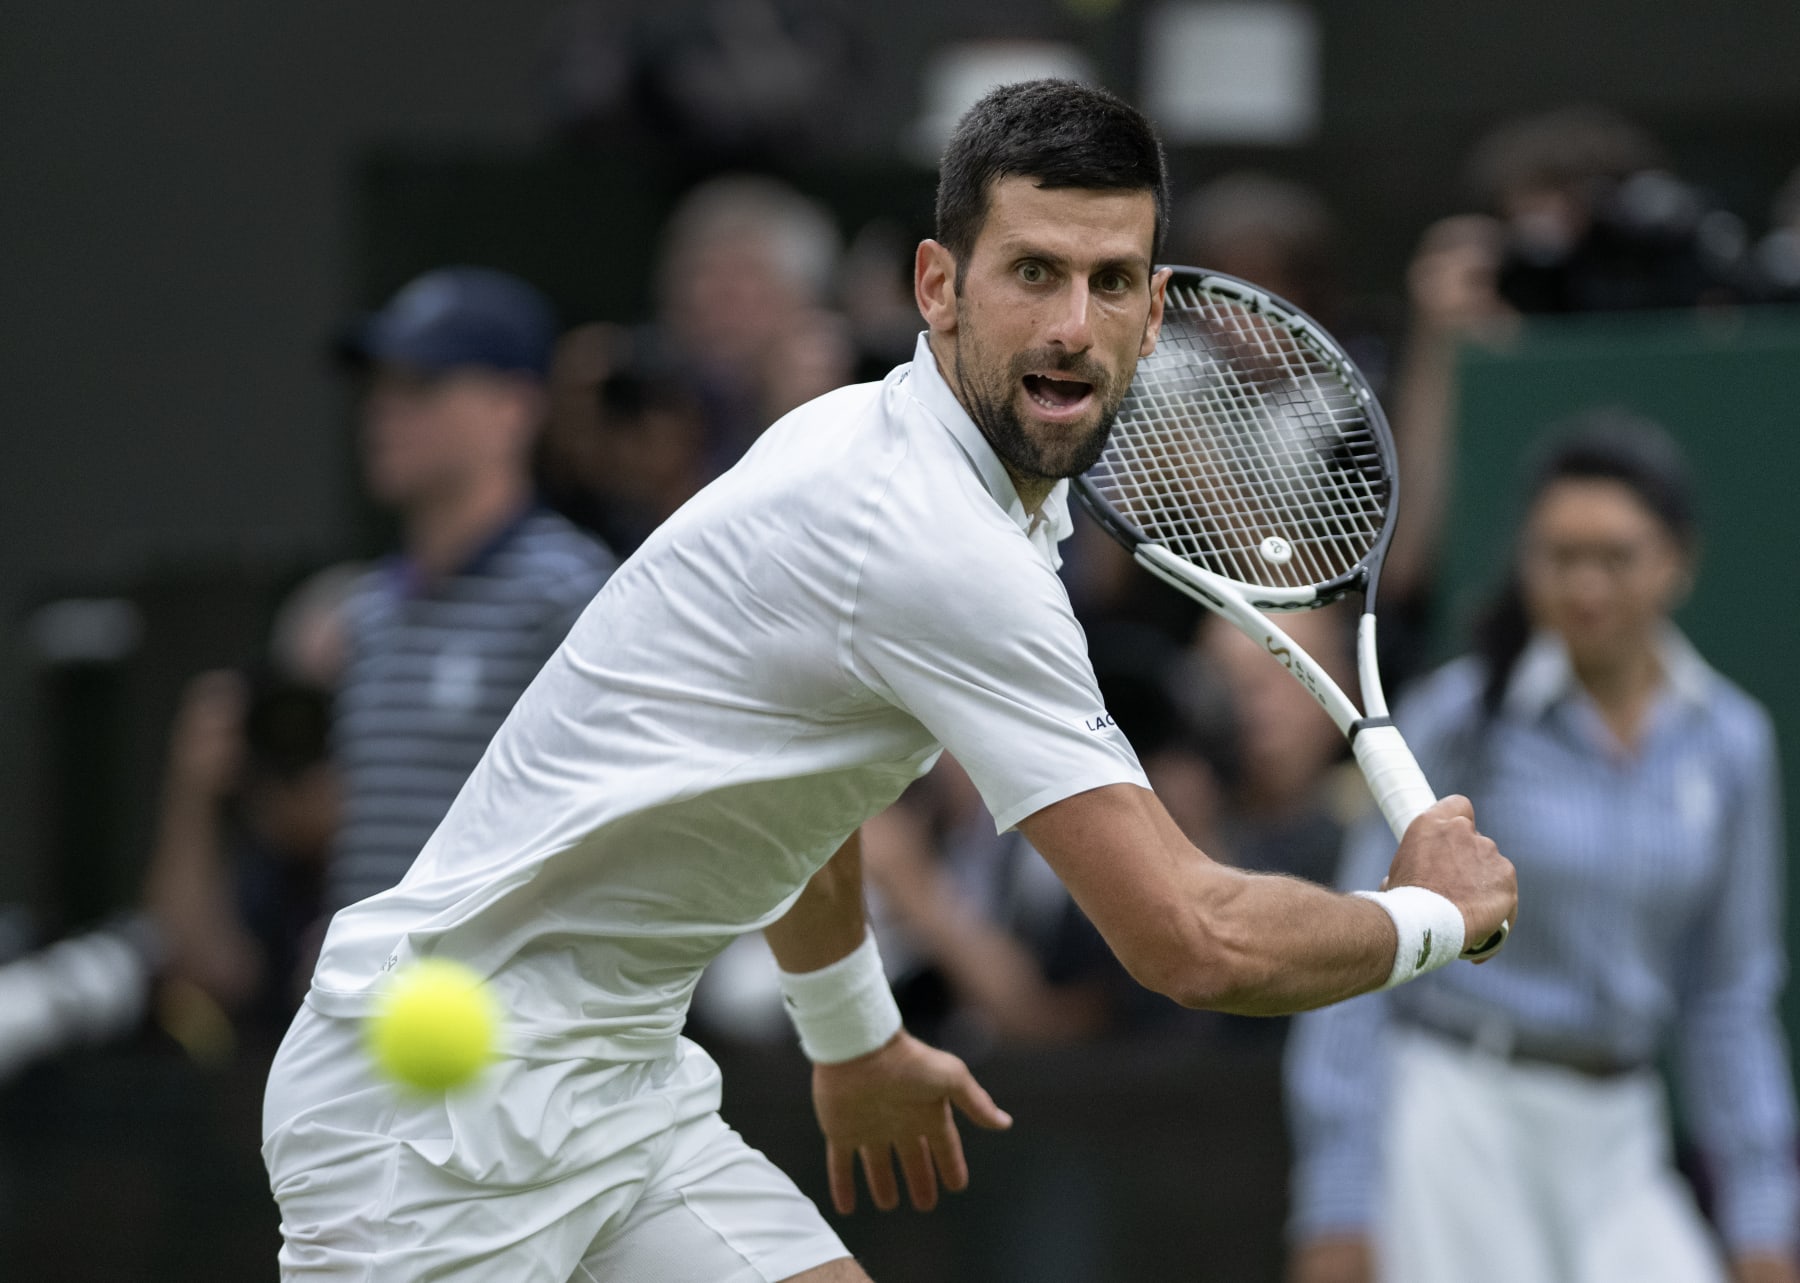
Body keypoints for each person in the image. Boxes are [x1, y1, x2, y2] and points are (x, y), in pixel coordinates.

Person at [263, 79, 1515, 1282]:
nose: (1073, 324)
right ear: (939, 286)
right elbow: (1189, 937)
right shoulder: (930, 539)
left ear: (1155, 306)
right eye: (1033, 272)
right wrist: (1429, 920)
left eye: (1110, 280)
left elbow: (799, 785)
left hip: (614, 1091)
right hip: (427, 1127)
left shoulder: (889, 443)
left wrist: (853, 1033)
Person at [1284, 414, 1799, 1283]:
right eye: (1559, 556)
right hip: (1458, 1119)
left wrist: (1761, 1217)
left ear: (1677, 562)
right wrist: (1339, 1196)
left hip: (1622, 1132)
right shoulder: (1458, 718)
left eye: (1616, 556)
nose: (1585, 584)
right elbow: (1357, 957)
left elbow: (1730, 999)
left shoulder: (1732, 742)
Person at [328, 267, 617, 909]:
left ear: (512, 409)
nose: (383, 409)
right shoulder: (367, 611)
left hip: (505, 1001)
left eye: (421, 384)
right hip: (359, 998)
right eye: (379, 385)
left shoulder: (570, 594)